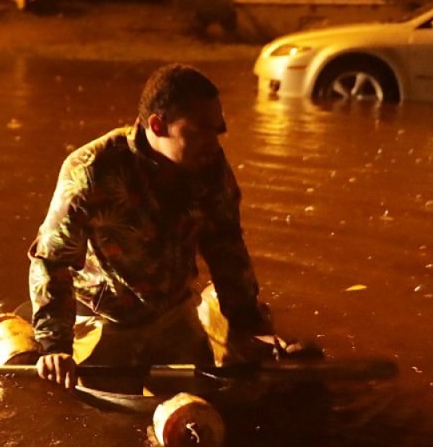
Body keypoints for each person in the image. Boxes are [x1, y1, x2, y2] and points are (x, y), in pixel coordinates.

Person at [28, 64, 304, 389]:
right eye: (199, 131)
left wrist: (248, 325)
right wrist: (55, 347)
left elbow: (227, 248)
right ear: (158, 126)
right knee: (104, 415)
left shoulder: (209, 166)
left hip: (174, 312)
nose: (213, 144)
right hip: (106, 318)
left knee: (221, 393)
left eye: (217, 130)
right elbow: (52, 260)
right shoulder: (90, 170)